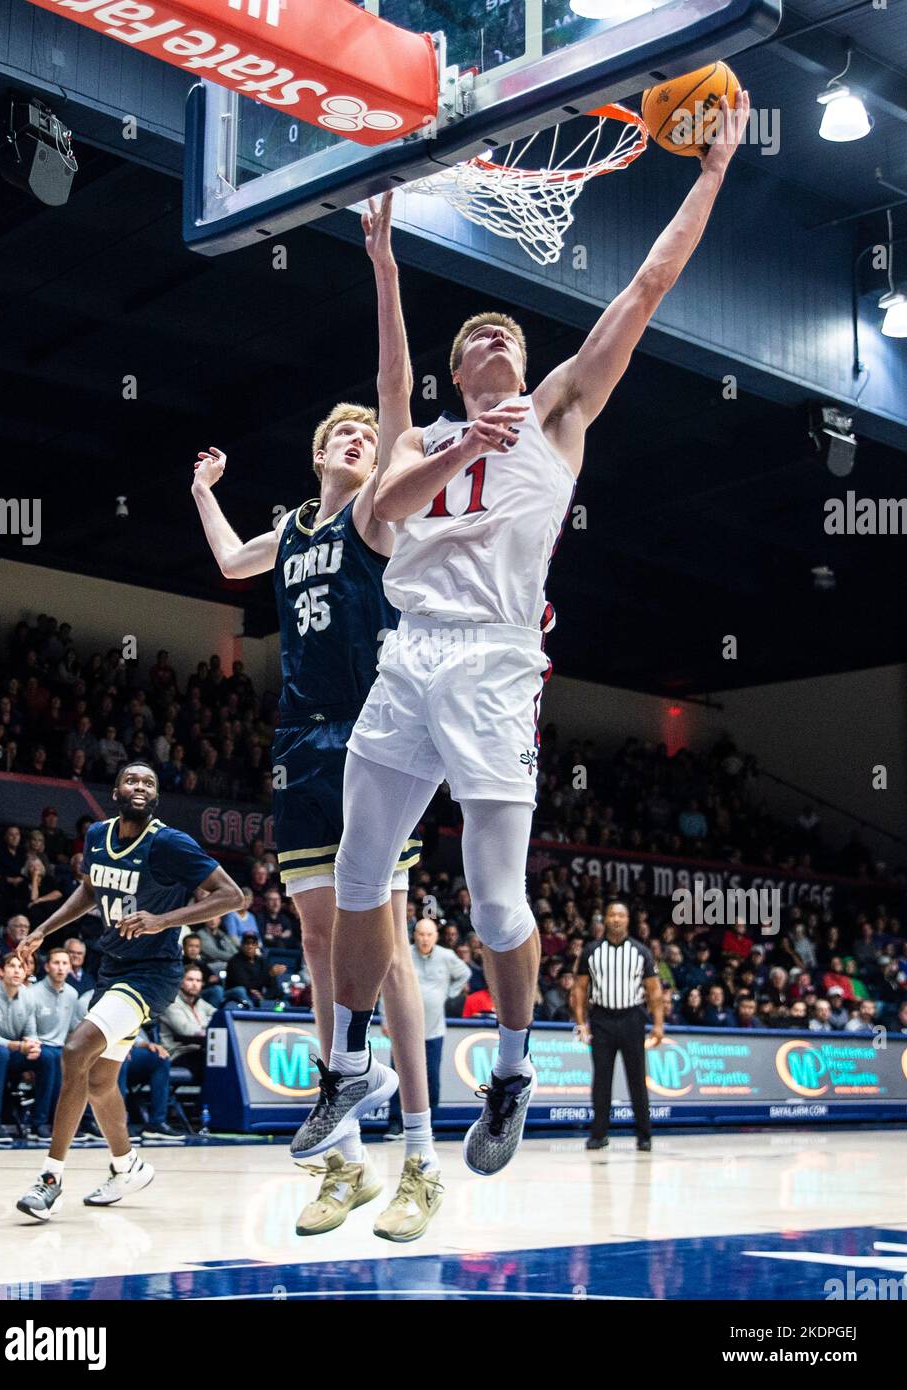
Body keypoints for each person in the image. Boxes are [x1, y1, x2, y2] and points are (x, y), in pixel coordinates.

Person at [303, 92, 749, 1179]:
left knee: (495, 895)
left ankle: (509, 1071)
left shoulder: (555, 415)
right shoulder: (424, 434)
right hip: (406, 658)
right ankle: (346, 1062)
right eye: (475, 339)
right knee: (360, 876)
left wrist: (711, 173)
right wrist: (385, 261)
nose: (493, 336)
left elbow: (642, 291)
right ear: (460, 374)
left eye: (503, 329)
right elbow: (385, 424)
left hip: (498, 664)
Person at [194, 195, 440, 1242]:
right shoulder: (292, 532)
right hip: (300, 746)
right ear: (313, 456)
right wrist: (203, 489)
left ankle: (421, 1155)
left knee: (383, 949)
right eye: (335, 432)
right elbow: (225, 562)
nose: (354, 436)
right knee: (312, 934)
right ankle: (340, 1157)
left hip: (379, 734)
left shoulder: (376, 513)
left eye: (363, 434)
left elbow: (392, 399)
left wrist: (381, 265)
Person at [14, 760, 244, 1220]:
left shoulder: (169, 843)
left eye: (149, 782)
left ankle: (50, 1178)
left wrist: (163, 920)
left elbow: (232, 895)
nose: (140, 786)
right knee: (99, 1082)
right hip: (113, 969)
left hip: (153, 973)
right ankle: (127, 1166)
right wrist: (43, 930)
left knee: (76, 1050)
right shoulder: (97, 835)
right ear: (116, 790)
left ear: (156, 795)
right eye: (131, 779)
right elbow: (90, 891)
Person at [572, 902, 663, 1152]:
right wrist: (581, 1022)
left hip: (633, 1018)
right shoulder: (591, 951)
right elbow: (579, 989)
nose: (616, 919)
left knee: (637, 1079)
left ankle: (645, 1135)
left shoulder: (641, 951)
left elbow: (654, 991)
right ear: (605, 919)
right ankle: (599, 1134)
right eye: (612, 914)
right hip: (601, 1019)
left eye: (621, 915)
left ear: (628, 919)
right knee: (601, 1079)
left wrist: (658, 1025)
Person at [384, 919, 470, 1138]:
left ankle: (426, 1125)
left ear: (436, 936)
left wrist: (449, 994)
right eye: (421, 934)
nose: (424, 938)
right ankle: (396, 1124)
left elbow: (465, 974)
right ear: (415, 936)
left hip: (433, 1030)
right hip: (403, 1028)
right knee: (399, 1076)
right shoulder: (403, 954)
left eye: (429, 935)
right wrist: (385, 1018)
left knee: (431, 1077)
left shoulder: (446, 956)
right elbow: (388, 985)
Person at [0, 951, 61, 1141]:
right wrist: (15, 1045)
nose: (17, 971)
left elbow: (31, 1031)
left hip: (13, 1051)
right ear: (1, 972)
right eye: (11, 966)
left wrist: (33, 1045)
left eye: (21, 967)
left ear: (26, 973)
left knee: (50, 1056)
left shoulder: (29, 997)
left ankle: (40, 1122)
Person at [27, 946, 79, 1138]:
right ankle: (39, 1122)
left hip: (60, 1048)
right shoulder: (32, 993)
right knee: (52, 1058)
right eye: (56, 963)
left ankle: (69, 1123)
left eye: (65, 963)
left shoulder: (72, 994)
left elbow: (74, 1030)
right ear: (47, 967)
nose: (60, 967)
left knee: (77, 1060)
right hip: (37, 1047)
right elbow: (28, 1029)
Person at [159, 965, 216, 1084]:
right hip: (177, 1054)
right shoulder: (171, 1003)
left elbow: (218, 1017)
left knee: (222, 1061)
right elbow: (186, 1030)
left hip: (199, 1051)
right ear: (180, 982)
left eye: (198, 980)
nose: (195, 984)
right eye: (190, 979)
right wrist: (208, 1027)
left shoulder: (200, 1003)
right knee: (213, 1065)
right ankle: (206, 1102)